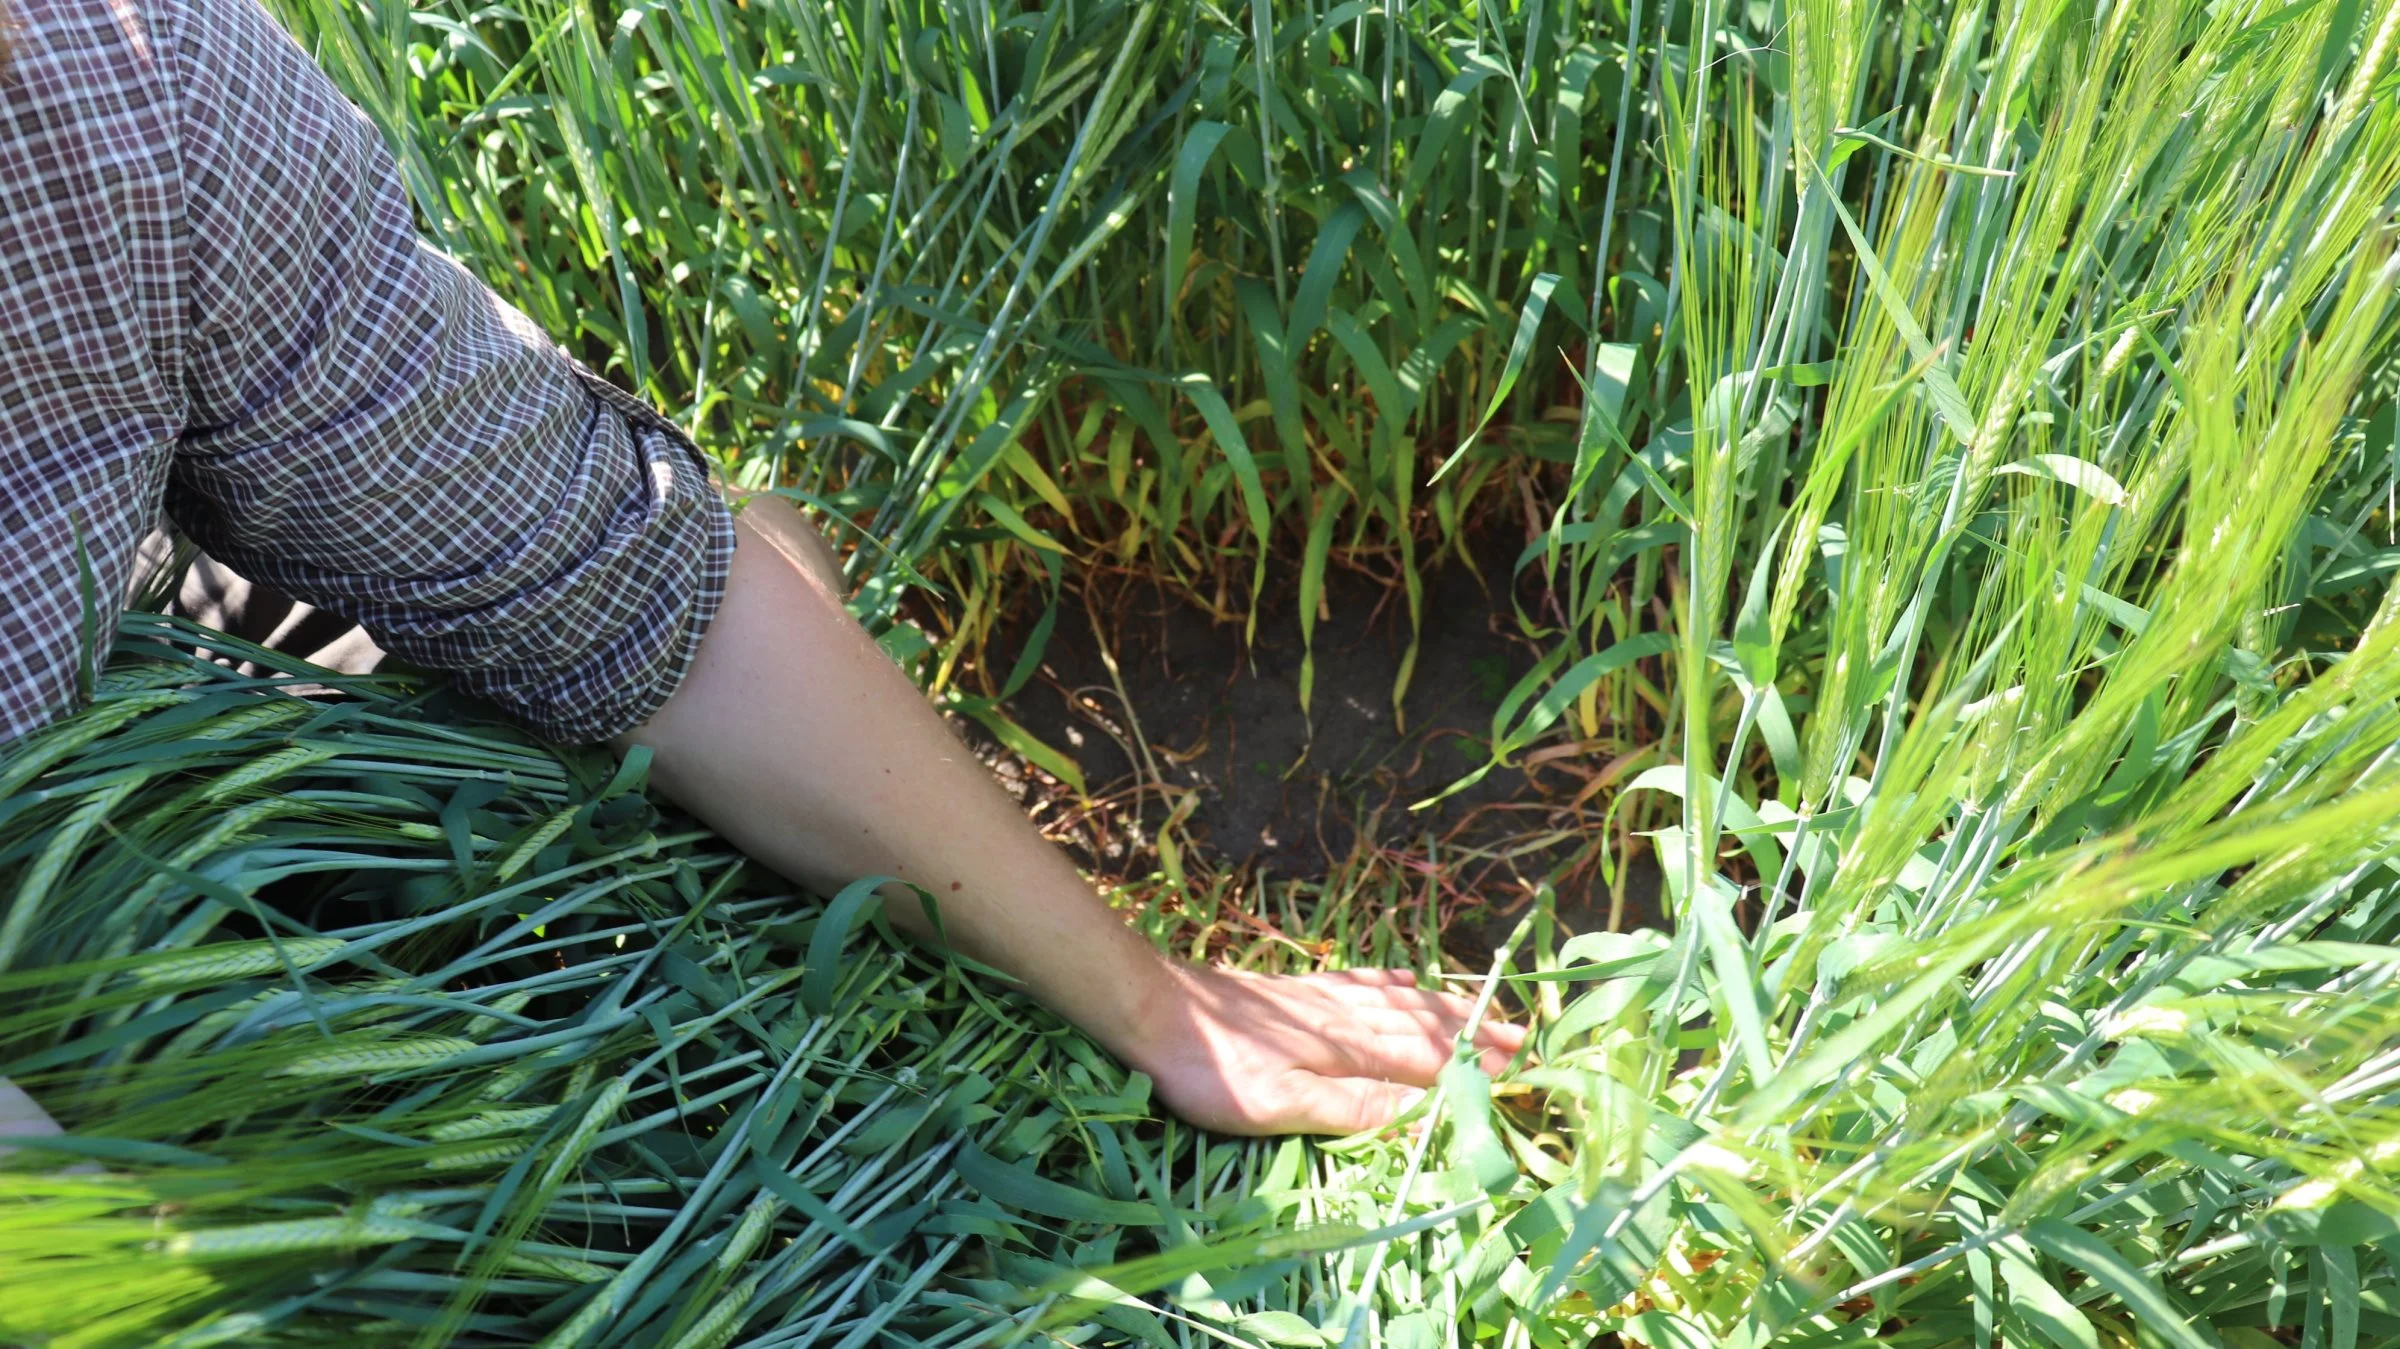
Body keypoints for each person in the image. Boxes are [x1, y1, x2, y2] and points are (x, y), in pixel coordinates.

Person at [0, 0, 1522, 1141]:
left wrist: (1164, 1008)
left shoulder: (129, 96)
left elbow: (623, 592)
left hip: (112, 661)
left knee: (518, 714)